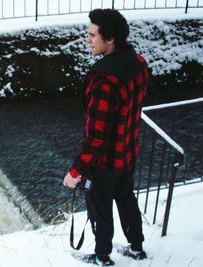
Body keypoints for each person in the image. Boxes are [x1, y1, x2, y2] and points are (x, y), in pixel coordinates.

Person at [62, 9, 150, 266]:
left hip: (106, 162)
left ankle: (102, 257)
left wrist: (76, 171)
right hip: (128, 152)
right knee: (125, 199)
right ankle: (136, 247)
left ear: (109, 38)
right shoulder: (139, 62)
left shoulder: (104, 80)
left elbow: (97, 136)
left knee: (101, 207)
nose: (87, 39)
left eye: (92, 34)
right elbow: (137, 100)